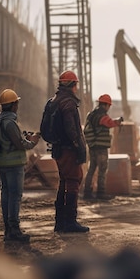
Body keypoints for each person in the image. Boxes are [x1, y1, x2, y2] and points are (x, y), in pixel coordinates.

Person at [0, 88, 40, 242]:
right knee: (15, 196)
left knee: (6, 194)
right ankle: (14, 231)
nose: (17, 106)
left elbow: (7, 141)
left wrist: (23, 137)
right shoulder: (10, 122)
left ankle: (8, 230)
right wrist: (33, 141)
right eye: (16, 103)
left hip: (1, 163)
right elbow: (19, 144)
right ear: (12, 105)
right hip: (14, 164)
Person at [49, 70, 90, 233]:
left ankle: (60, 222)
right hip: (68, 149)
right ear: (73, 85)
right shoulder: (68, 102)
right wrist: (79, 146)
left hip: (58, 148)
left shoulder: (55, 100)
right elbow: (71, 128)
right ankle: (70, 222)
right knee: (73, 181)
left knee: (64, 182)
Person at [83, 94, 123, 200]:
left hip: (92, 146)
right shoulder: (101, 115)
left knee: (91, 169)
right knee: (102, 170)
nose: (109, 108)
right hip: (100, 147)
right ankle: (101, 193)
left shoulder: (91, 114)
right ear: (105, 105)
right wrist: (117, 122)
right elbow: (108, 122)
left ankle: (87, 192)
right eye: (108, 105)